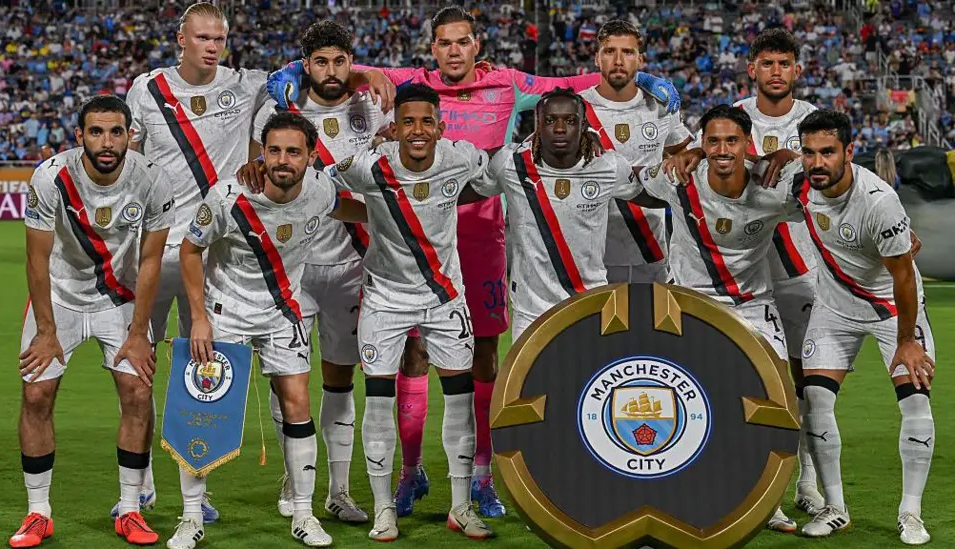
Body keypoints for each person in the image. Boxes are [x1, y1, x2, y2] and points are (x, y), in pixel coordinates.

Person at [268, 7, 682, 518]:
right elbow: (342, 69)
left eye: (462, 42)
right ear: (432, 48)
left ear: (476, 45)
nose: (454, 51)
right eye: (444, 43)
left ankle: (482, 478)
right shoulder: (413, 82)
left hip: (484, 237)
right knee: (411, 356)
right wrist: (290, 70)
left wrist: (641, 79)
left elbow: (569, 86)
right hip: (413, 238)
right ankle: (410, 473)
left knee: (483, 357)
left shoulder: (508, 84)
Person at [173, 112, 367, 549]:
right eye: (274, 150)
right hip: (226, 313)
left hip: (283, 313)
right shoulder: (227, 196)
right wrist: (199, 317)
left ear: (311, 157)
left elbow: (346, 208)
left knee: (298, 404)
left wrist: (394, 212)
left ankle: (303, 514)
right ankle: (190, 516)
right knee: (204, 412)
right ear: (261, 152)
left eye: (293, 152)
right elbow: (190, 249)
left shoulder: (319, 189)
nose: (282, 160)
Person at [322, 83, 493, 541]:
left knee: (459, 398)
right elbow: (320, 188)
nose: (418, 130)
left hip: (444, 298)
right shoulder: (369, 166)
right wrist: (373, 212)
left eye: (426, 122)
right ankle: (384, 510)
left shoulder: (461, 158)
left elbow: (501, 175)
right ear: (393, 128)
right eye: (408, 122)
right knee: (379, 400)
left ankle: (461, 506)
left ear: (440, 127)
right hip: (385, 298)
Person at [668, 28, 824, 523]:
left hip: (798, 270)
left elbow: (832, 175)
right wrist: (694, 152)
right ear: (751, 69)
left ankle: (807, 481)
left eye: (784, 63)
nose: (776, 72)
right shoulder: (733, 117)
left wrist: (794, 157)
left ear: (797, 70)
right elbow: (706, 157)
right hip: (740, 270)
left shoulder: (814, 121)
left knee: (803, 382)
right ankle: (727, 480)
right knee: (727, 383)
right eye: (767, 63)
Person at [120, 2, 269, 522]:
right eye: (202, 37)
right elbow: (131, 164)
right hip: (154, 248)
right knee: (137, 368)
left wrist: (369, 74)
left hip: (213, 253)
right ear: (180, 39)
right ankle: (138, 484)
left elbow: (311, 70)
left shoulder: (248, 84)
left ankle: (196, 488)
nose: (211, 47)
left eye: (219, 39)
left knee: (201, 374)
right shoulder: (146, 89)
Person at [10, 95, 173, 548]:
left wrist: (139, 333)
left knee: (138, 393)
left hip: (118, 299)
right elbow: (36, 258)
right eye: (96, 132)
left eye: (116, 132)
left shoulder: (152, 179)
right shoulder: (51, 177)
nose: (107, 142)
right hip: (58, 298)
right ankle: (38, 512)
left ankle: (131, 509)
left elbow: (151, 261)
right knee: (36, 395)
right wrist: (46, 331)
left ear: (129, 135)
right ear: (80, 135)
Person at [245, 20, 390, 524]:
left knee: (340, 377)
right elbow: (256, 173)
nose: (331, 71)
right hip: (294, 266)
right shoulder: (277, 108)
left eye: (340, 61)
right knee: (288, 379)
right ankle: (295, 477)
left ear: (352, 62)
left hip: (352, 263)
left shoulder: (373, 105)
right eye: (320, 62)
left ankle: (339, 490)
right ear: (305, 65)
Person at [641, 105, 804, 532]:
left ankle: (768, 500)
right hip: (692, 306)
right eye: (712, 141)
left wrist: (789, 156)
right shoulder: (679, 178)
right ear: (701, 144)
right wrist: (678, 156)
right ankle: (683, 489)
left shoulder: (773, 186)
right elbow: (631, 182)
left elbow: (828, 183)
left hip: (752, 305)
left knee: (775, 398)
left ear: (748, 144)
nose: (722, 150)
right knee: (687, 403)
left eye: (732, 141)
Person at [781, 110, 934, 545]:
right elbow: (768, 164)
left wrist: (907, 341)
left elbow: (904, 277)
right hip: (834, 308)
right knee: (815, 400)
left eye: (828, 152)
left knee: (915, 401)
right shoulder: (800, 182)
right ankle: (835, 509)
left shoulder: (878, 201)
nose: (817, 162)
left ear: (849, 152)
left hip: (892, 309)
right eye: (809, 152)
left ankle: (911, 513)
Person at [461, 87, 666, 339]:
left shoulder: (608, 166)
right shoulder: (511, 164)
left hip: (590, 304)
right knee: (528, 368)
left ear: (584, 126)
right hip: (531, 311)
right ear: (538, 125)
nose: (559, 128)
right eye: (550, 120)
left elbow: (654, 197)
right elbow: (464, 193)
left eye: (570, 121)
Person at [578, 20, 693, 285]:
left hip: (650, 252)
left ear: (640, 59)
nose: (618, 60)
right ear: (597, 58)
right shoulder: (577, 109)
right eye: (610, 51)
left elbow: (685, 157)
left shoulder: (660, 106)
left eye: (628, 52)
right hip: (589, 256)